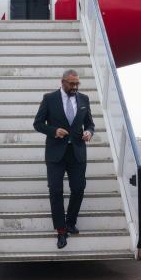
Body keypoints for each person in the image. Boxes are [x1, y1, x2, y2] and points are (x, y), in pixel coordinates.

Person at [33, 69, 94, 249]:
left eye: (77, 84)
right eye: (71, 84)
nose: (75, 87)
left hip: (77, 152)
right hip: (55, 154)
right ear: (63, 82)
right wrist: (54, 131)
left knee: (78, 188)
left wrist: (89, 132)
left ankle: (70, 222)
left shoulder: (84, 99)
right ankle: (61, 231)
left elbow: (90, 123)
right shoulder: (49, 99)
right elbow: (37, 123)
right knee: (56, 191)